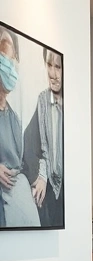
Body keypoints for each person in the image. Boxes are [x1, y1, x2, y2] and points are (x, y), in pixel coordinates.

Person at [0, 27, 39, 228]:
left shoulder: (14, 118)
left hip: (16, 201)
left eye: (12, 57)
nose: (10, 63)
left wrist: (40, 177)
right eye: (5, 50)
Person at [23, 48, 62, 227]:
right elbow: (30, 142)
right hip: (49, 191)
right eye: (49, 65)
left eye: (58, 67)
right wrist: (41, 176)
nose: (53, 74)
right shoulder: (43, 101)